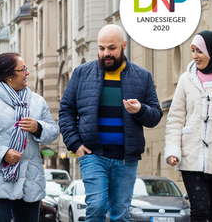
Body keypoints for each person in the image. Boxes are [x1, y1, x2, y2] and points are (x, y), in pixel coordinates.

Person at [58, 24, 163, 221]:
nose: (106, 53)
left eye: (111, 48)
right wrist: (75, 144)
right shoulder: (82, 74)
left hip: (126, 158)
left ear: (124, 46)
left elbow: (156, 115)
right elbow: (66, 111)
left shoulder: (142, 76)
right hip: (93, 154)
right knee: (96, 207)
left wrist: (140, 110)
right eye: (101, 48)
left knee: (120, 214)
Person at [0, 52, 59, 222]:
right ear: (8, 75)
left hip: (30, 179)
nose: (27, 73)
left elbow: (53, 132)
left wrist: (38, 128)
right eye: (23, 69)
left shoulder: (36, 101)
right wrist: (4, 154)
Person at [165, 30, 212, 221]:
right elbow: (175, 118)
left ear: (211, 51)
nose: (195, 56)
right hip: (191, 157)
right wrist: (173, 150)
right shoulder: (186, 79)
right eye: (192, 50)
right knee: (199, 209)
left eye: (199, 51)